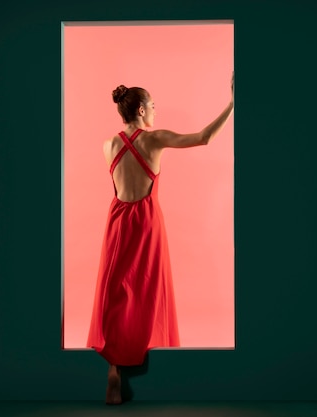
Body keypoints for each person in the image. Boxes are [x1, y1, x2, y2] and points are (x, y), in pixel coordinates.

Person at [87, 73, 234, 405]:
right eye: (152, 105)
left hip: (117, 219)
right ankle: (147, 356)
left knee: (115, 289)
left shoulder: (107, 145)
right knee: (147, 288)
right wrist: (232, 103)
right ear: (140, 110)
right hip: (146, 220)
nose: (155, 110)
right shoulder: (153, 140)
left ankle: (114, 366)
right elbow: (204, 138)